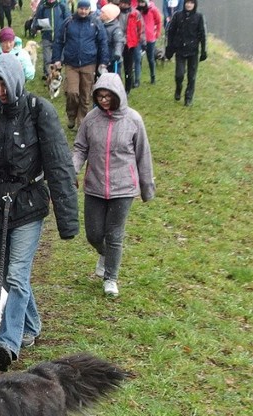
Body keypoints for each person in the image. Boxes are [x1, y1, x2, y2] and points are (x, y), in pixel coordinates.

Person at [0, 54, 79, 372]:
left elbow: (59, 164)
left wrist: (67, 218)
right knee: (9, 272)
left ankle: (7, 342)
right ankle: (32, 325)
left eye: (3, 84)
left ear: (16, 81)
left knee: (14, 275)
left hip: (29, 204)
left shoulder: (40, 111)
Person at [72, 73, 154, 297]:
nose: (104, 100)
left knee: (115, 233)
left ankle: (111, 278)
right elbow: (80, 148)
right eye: (100, 96)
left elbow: (143, 154)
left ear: (118, 95)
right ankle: (105, 255)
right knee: (94, 234)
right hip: (95, 185)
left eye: (108, 96)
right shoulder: (90, 119)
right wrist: (73, 170)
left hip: (123, 188)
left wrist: (147, 187)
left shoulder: (133, 120)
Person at [52, 0, 109, 129]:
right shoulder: (69, 22)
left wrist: (103, 62)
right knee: (72, 93)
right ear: (77, 9)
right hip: (71, 63)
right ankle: (71, 115)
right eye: (81, 9)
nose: (83, 11)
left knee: (85, 95)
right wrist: (56, 58)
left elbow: (103, 42)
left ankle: (82, 123)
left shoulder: (96, 23)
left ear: (89, 10)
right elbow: (59, 40)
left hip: (89, 63)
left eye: (86, 9)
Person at [165, 0, 206, 106]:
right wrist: (169, 48)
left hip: (193, 50)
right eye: (187, 3)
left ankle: (188, 98)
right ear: (184, 4)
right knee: (179, 74)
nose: (189, 5)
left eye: (191, 3)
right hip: (180, 49)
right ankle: (178, 88)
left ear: (194, 5)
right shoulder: (178, 16)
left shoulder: (199, 17)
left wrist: (203, 50)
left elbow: (202, 34)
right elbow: (171, 31)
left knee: (192, 76)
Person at [31, 0, 71, 80]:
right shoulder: (42, 5)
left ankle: (57, 74)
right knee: (47, 58)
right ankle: (48, 76)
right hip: (46, 36)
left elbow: (68, 19)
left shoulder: (62, 5)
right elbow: (37, 19)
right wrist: (38, 25)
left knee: (59, 58)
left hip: (59, 38)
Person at [118, 0, 144, 92]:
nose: (123, 5)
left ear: (129, 4)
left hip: (131, 43)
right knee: (118, 66)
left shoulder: (135, 14)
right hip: (119, 42)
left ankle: (127, 88)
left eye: (125, 3)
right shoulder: (116, 12)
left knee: (128, 67)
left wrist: (142, 40)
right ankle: (118, 86)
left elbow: (140, 28)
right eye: (122, 3)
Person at [137, 0, 163, 84]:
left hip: (150, 38)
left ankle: (153, 76)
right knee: (138, 58)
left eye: (143, 2)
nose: (141, 4)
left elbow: (158, 21)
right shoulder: (137, 11)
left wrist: (157, 33)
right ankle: (137, 78)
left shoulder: (153, 10)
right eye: (140, 2)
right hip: (139, 38)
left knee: (150, 58)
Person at [100, 3, 125, 75]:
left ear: (108, 15)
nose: (100, 14)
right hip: (103, 57)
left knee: (113, 79)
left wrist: (117, 53)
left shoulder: (116, 29)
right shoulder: (101, 24)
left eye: (103, 13)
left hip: (113, 58)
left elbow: (119, 42)